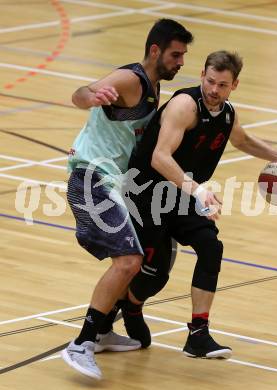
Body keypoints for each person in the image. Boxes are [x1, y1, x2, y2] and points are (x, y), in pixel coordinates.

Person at [125, 50, 277, 359]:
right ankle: (127, 308)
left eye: (222, 85)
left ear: (234, 85)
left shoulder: (227, 113)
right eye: (210, 82)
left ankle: (198, 334)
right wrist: (198, 191)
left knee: (211, 246)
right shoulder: (184, 106)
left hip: (179, 194)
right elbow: (159, 157)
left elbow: (243, 141)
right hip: (146, 193)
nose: (213, 90)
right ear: (201, 75)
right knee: (154, 274)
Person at [61, 19, 194, 380]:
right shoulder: (131, 79)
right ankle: (82, 343)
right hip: (91, 179)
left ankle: (102, 331)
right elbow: (81, 94)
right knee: (129, 260)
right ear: (155, 50)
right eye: (175, 54)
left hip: (114, 184)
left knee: (143, 255)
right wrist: (90, 96)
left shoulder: (152, 90)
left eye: (183, 55)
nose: (180, 62)